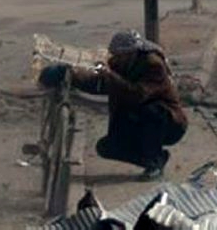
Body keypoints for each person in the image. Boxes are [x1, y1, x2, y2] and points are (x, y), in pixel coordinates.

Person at [39, 30, 187, 179]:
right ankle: (153, 159)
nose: (117, 59)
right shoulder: (120, 64)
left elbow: (139, 94)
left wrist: (111, 76)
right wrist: (72, 75)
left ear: (131, 53)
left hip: (169, 123)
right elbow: (100, 83)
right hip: (135, 118)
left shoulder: (153, 66)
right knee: (107, 147)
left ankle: (154, 160)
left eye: (120, 56)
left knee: (151, 111)